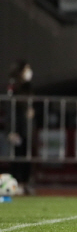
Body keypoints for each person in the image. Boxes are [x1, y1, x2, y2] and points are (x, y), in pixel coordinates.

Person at [6, 60, 35, 194]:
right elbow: (10, 109)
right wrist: (10, 130)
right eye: (26, 69)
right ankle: (15, 183)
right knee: (17, 156)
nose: (29, 72)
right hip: (17, 127)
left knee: (27, 156)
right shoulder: (13, 87)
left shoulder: (28, 87)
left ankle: (25, 182)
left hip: (27, 128)